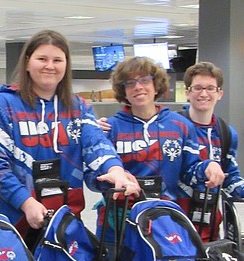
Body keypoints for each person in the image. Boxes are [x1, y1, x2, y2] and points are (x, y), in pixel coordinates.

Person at [0, 29, 139, 244]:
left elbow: (96, 144)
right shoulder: (5, 105)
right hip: (14, 220)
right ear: (27, 62)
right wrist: (26, 203)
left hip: (66, 221)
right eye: (42, 59)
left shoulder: (79, 107)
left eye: (57, 60)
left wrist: (115, 171)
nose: (50, 66)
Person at [91, 56, 225, 236]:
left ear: (156, 86)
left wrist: (208, 166)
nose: (138, 87)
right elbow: (92, 176)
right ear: (123, 90)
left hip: (165, 222)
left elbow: (189, 171)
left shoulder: (181, 126)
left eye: (145, 80)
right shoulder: (110, 128)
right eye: (130, 83)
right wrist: (114, 181)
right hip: (118, 226)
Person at [183, 61, 244, 236]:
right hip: (174, 224)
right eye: (197, 88)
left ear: (219, 93)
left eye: (210, 88)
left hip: (210, 224)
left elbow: (229, 178)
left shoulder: (226, 133)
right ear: (187, 93)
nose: (204, 93)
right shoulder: (173, 128)